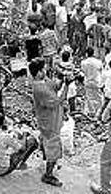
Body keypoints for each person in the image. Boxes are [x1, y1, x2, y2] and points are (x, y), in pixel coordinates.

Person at [30, 57, 68, 187]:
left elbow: (55, 86)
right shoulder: (39, 88)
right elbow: (57, 101)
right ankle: (48, 175)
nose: (46, 69)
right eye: (44, 68)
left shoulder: (42, 81)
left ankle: (47, 159)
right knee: (54, 147)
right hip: (49, 121)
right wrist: (67, 86)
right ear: (40, 71)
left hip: (49, 119)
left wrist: (62, 78)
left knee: (47, 142)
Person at [81, 48, 104, 117]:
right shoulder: (98, 62)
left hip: (88, 81)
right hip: (97, 81)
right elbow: (101, 70)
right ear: (93, 53)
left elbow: (83, 72)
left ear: (86, 53)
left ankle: (92, 112)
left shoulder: (83, 62)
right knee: (99, 97)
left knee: (89, 97)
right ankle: (100, 111)